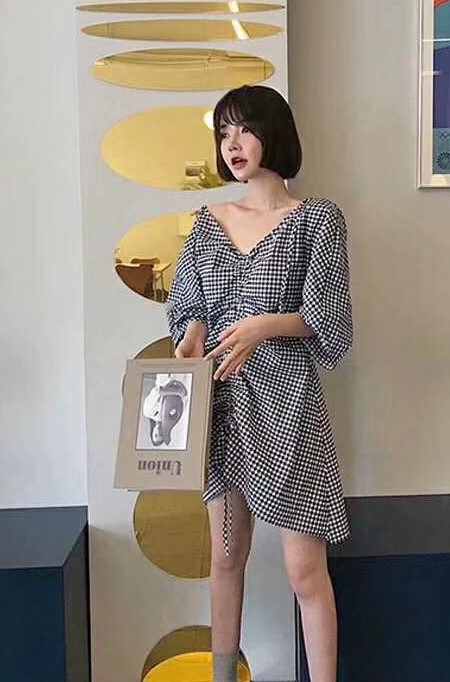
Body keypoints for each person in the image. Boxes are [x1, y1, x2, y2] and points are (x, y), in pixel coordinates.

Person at [165, 85, 353, 682]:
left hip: (289, 407)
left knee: (305, 570)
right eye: (224, 133)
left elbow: (331, 322)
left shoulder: (317, 220)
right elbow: (191, 311)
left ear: (274, 132)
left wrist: (264, 325)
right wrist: (190, 341)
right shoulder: (208, 223)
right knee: (225, 558)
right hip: (223, 408)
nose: (233, 144)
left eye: (244, 129)